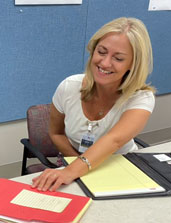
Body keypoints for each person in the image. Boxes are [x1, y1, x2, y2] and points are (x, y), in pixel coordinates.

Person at [32, 17, 156, 192]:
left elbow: (114, 140)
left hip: (117, 164)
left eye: (118, 58)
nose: (105, 63)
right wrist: (76, 167)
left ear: (133, 65)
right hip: (72, 159)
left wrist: (75, 170)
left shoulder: (141, 98)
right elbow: (56, 133)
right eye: (102, 51)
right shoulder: (69, 87)